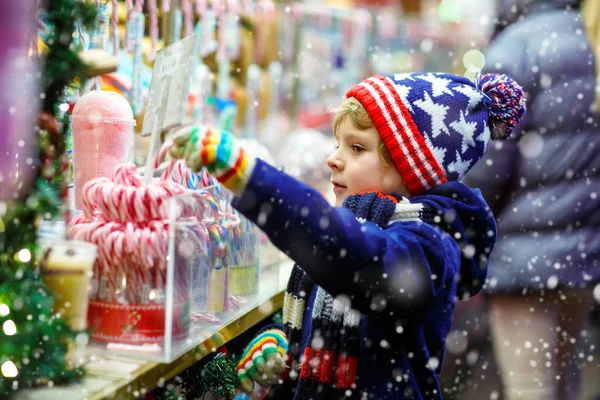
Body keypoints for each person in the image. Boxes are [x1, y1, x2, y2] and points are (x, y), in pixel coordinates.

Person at [169, 71, 525, 399]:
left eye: (356, 148)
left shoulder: (428, 246)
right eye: (338, 144)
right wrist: (282, 342)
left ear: (412, 168)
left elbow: (354, 259)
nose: (333, 160)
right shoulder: (356, 221)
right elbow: (323, 299)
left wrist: (253, 180)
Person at [460, 0, 600, 399]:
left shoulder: (517, 46)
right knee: (561, 380)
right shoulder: (591, 35)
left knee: (530, 389)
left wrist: (466, 227)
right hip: (583, 248)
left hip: (524, 256)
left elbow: (485, 163)